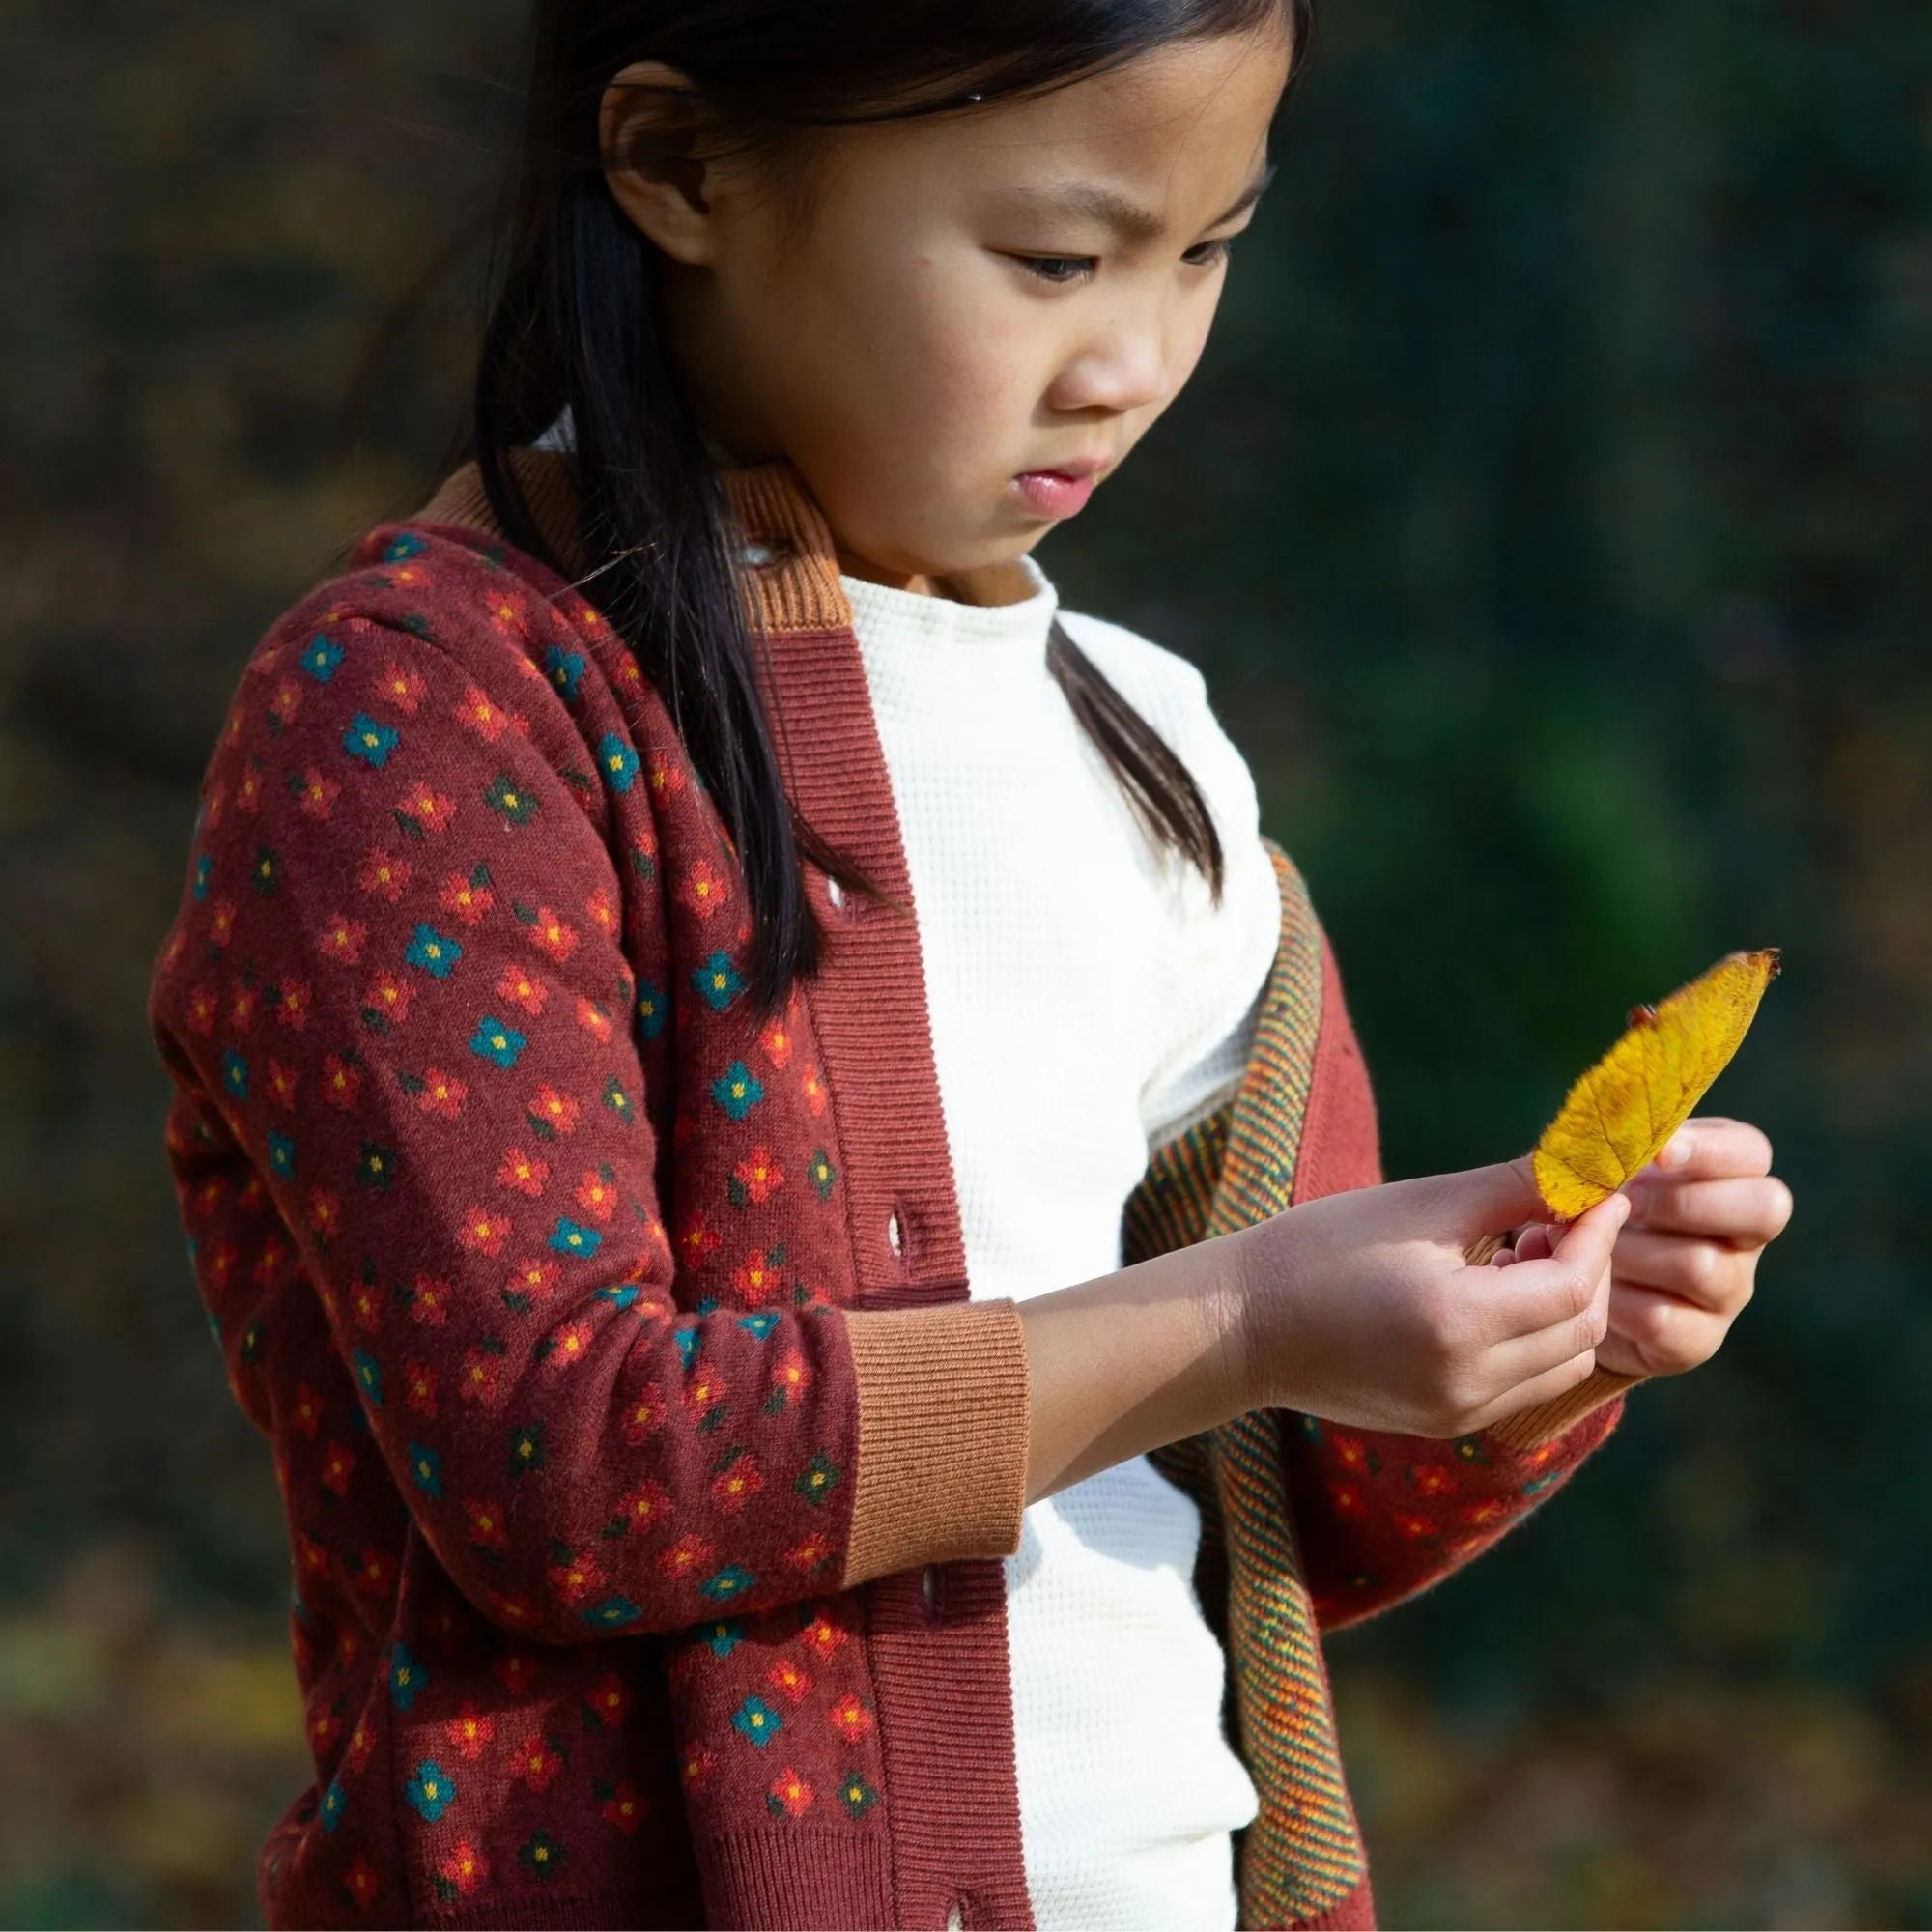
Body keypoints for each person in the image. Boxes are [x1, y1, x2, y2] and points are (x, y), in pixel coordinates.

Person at [148, 2, 1793, 1926]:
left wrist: (1529, 1335)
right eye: (1055, 259)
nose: (1136, 357)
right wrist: (1251, 1317)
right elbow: (568, 1467)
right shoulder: (437, 713)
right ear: (682, 168)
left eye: (1208, 251)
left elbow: (1276, 1509)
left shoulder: (1157, 753)